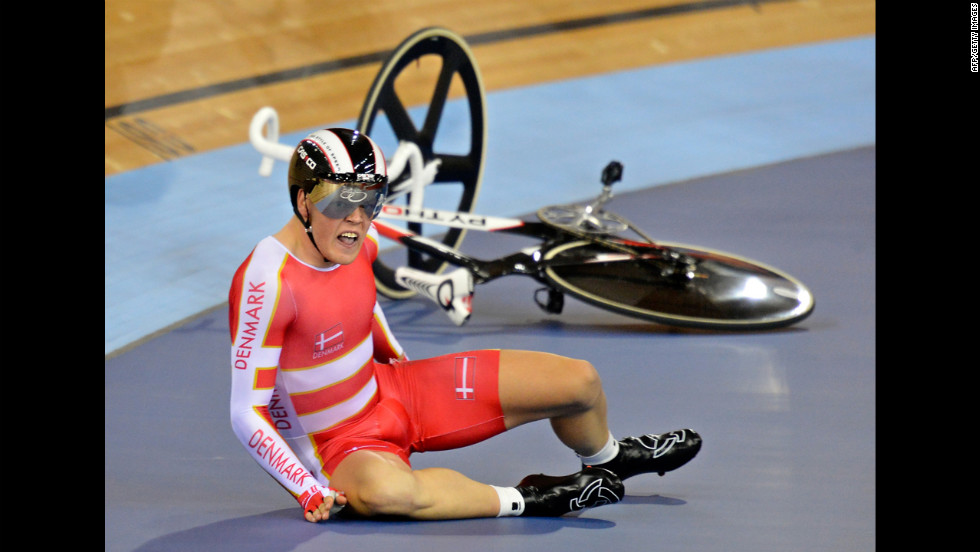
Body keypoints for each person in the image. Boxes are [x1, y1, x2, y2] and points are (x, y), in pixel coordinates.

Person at [228, 128, 702, 522]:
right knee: (387, 494)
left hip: (394, 392)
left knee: (580, 382)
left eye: (371, 202)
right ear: (302, 202)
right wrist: (306, 489)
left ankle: (608, 459)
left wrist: (394, 355)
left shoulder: (356, 244)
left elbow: (361, 307)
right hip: (336, 445)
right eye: (341, 203)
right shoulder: (267, 282)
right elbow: (246, 412)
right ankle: (534, 497)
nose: (357, 219)